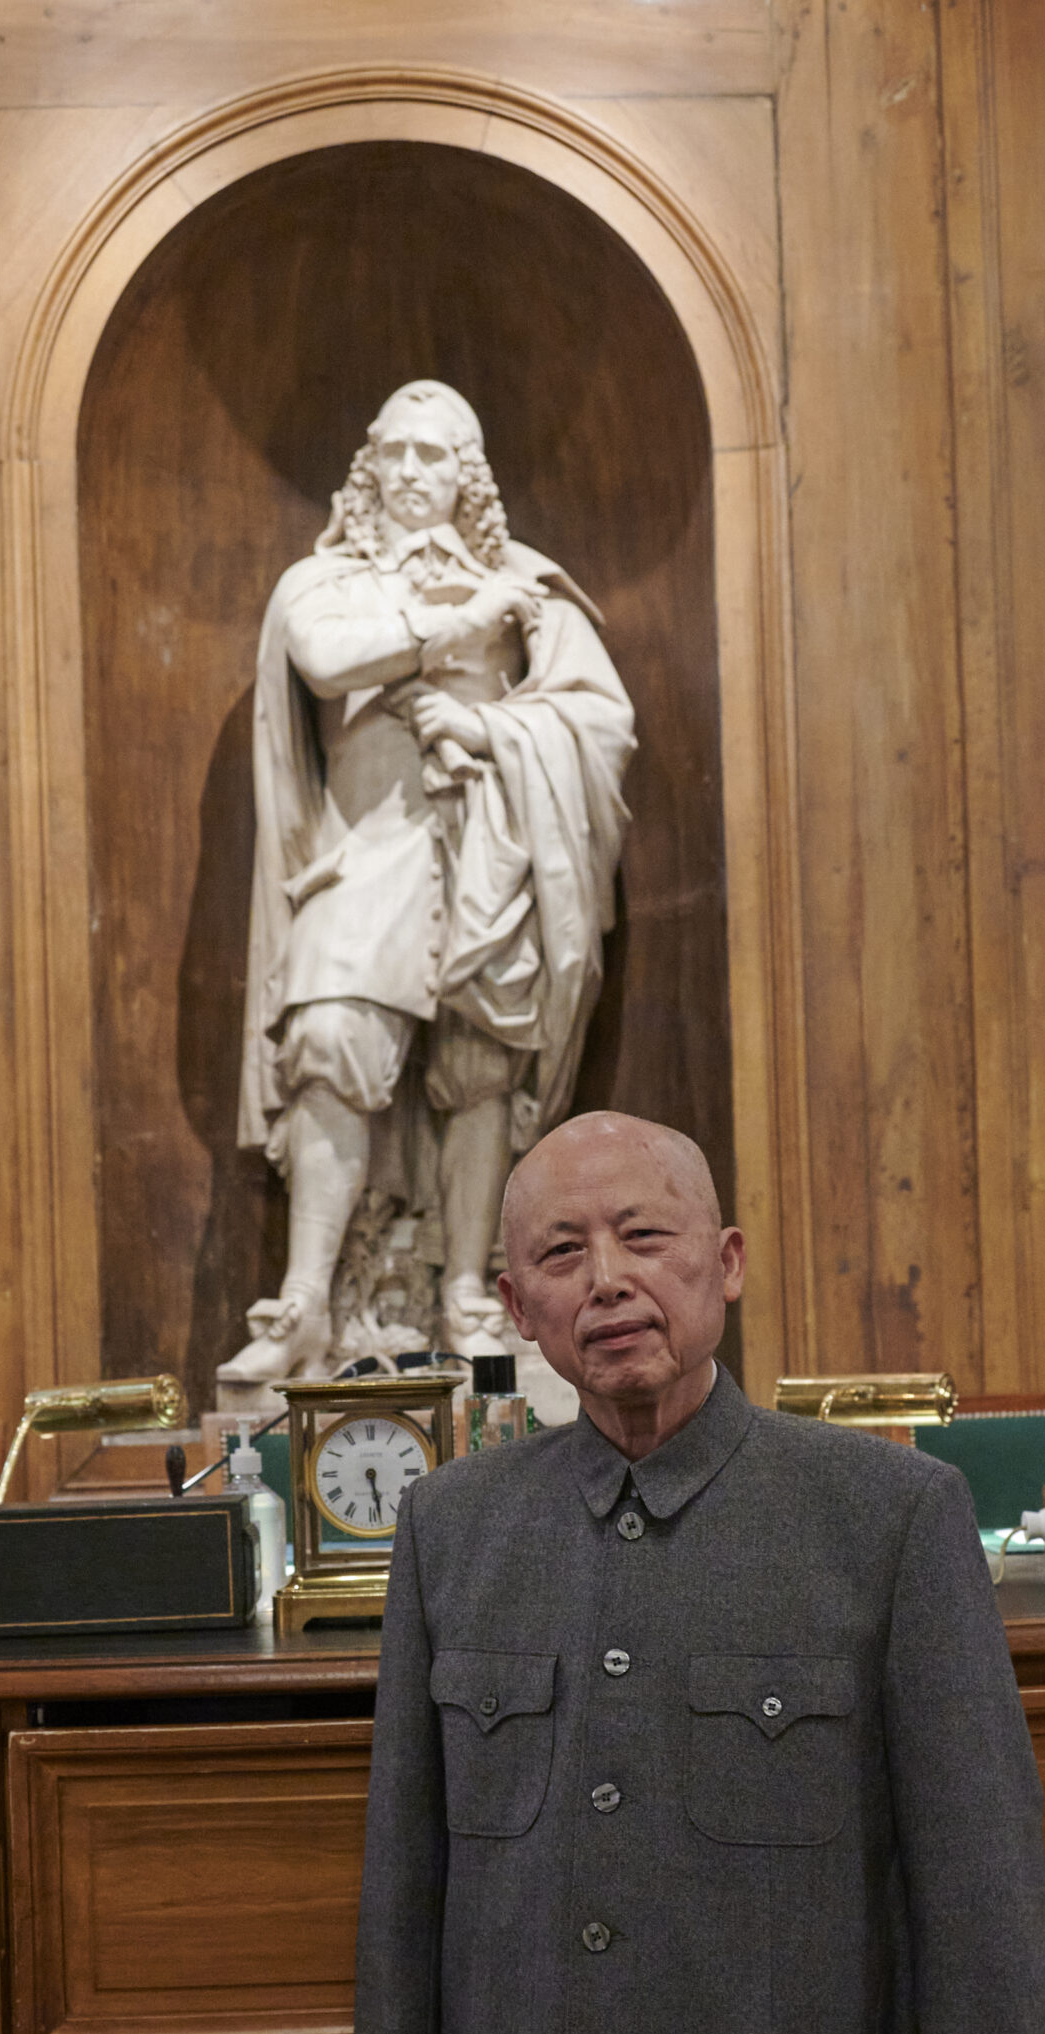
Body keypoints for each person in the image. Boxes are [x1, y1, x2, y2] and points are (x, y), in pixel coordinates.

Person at [347, 1111, 1045, 2034]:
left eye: (642, 1238)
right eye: (560, 1252)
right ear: (517, 1308)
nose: (606, 1280)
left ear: (722, 1265)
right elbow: (406, 1894)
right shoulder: (450, 1529)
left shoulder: (886, 1518)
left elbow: (979, 1905)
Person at [224, 381, 635, 1383]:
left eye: (434, 455)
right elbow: (323, 661)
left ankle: (469, 1297)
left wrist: (487, 725)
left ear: (468, 475)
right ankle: (308, 1305)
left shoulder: (525, 583)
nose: (412, 473)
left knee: (479, 1067)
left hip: (489, 853)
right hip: (365, 855)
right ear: (369, 467)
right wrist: (455, 628)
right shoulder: (327, 583)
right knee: (327, 1039)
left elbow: (600, 722)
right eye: (395, 453)